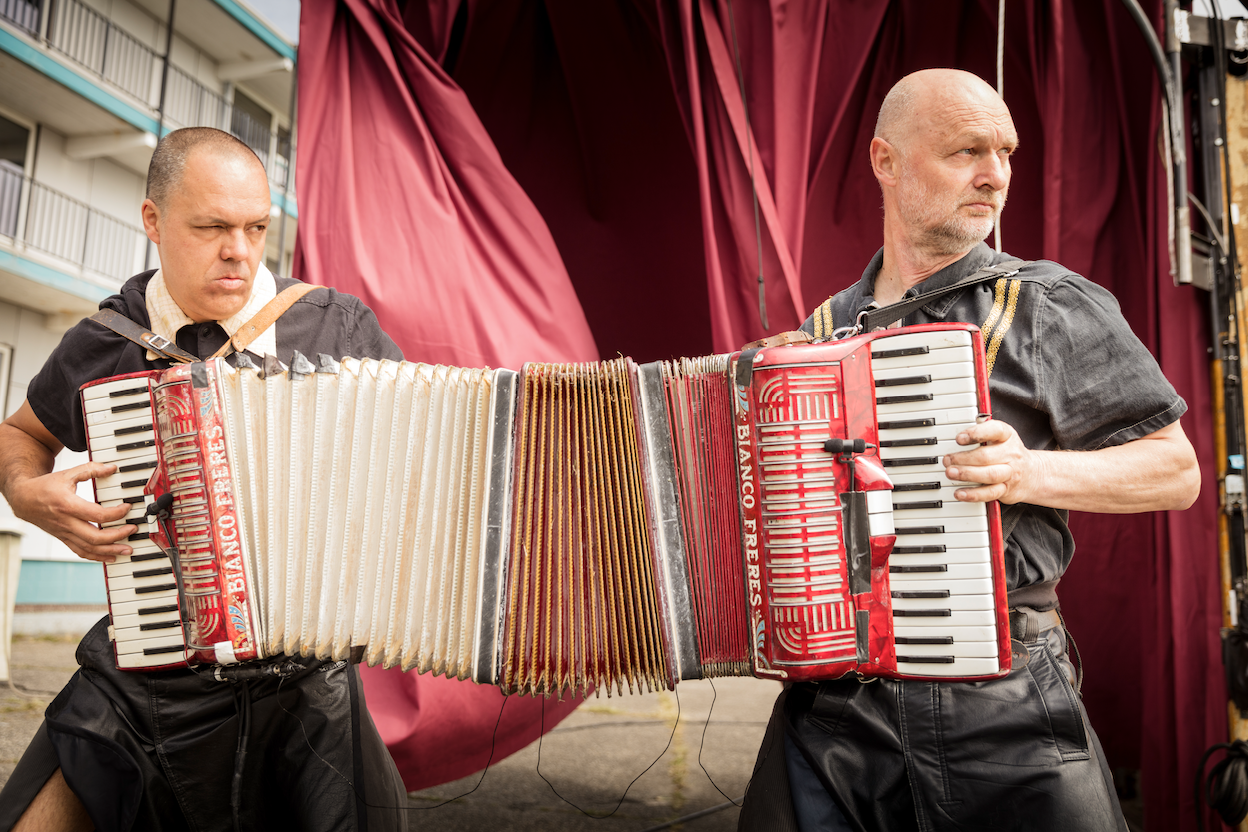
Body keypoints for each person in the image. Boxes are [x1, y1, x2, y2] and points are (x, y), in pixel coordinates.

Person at [737, 69, 1201, 831]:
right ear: (886, 162)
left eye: (1007, 152)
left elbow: (1175, 470)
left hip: (1005, 697)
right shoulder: (822, 334)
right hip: (835, 708)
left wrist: (1028, 470)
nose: (996, 176)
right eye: (966, 152)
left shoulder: (1049, 305)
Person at [0, 127, 408, 831]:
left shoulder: (333, 327)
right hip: (148, 672)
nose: (240, 253)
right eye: (213, 227)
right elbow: (20, 436)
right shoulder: (109, 339)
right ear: (153, 221)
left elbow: (423, 461)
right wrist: (26, 494)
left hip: (302, 680)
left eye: (255, 228)